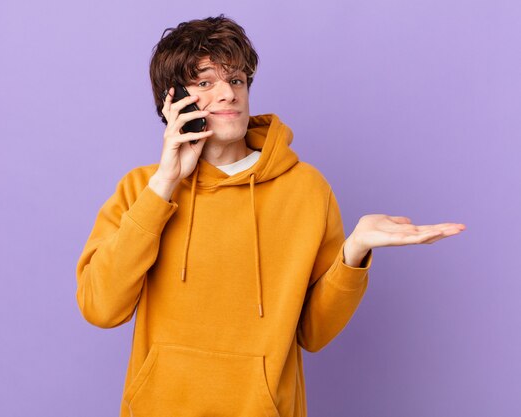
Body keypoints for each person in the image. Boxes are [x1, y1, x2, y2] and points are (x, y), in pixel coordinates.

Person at [75, 14, 466, 417]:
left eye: (237, 80)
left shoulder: (306, 189)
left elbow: (313, 333)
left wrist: (355, 251)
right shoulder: (143, 188)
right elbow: (101, 307)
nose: (228, 94)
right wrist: (164, 185)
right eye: (206, 82)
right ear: (172, 102)